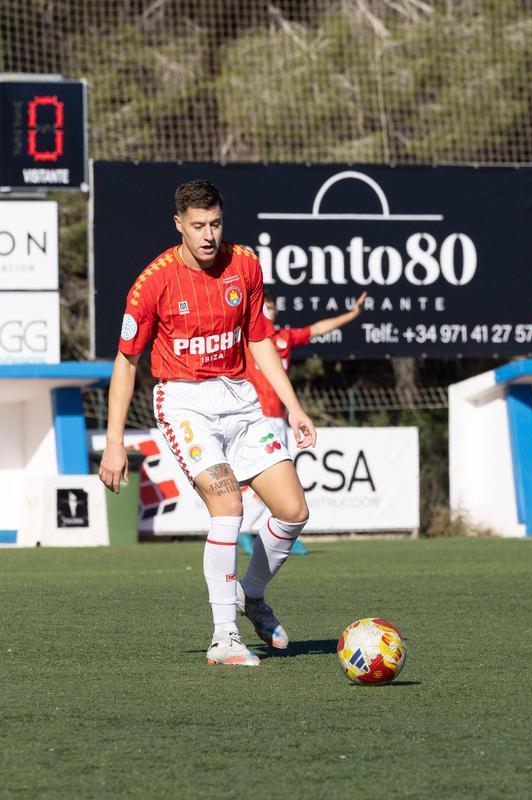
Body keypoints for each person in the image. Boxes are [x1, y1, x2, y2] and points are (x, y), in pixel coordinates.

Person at [98, 180, 317, 667]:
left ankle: (251, 595)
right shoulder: (152, 282)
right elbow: (126, 362)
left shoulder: (246, 266)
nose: (209, 235)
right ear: (179, 224)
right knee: (228, 503)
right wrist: (115, 443)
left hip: (238, 400)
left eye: (215, 223)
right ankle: (224, 638)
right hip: (183, 404)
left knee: (294, 511)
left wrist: (294, 406)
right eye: (198, 226)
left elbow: (260, 340)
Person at [239, 289, 367, 543]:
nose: (267, 312)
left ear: (276, 312)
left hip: (279, 418)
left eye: (271, 308)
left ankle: (277, 533)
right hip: (256, 416)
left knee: (280, 483)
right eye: (262, 308)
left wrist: (352, 314)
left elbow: (317, 329)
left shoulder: (284, 338)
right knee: (275, 481)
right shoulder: (245, 338)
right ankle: (249, 531)